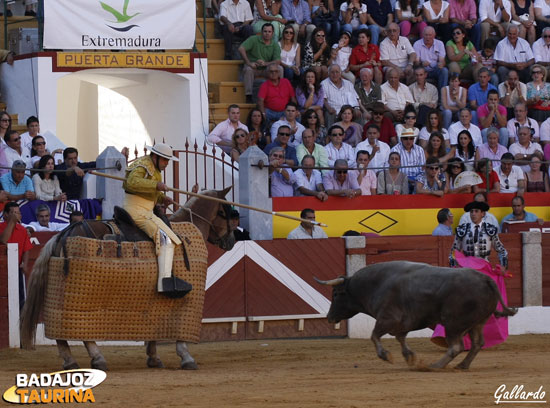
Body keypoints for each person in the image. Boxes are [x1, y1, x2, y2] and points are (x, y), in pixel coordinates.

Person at [122, 143, 190, 296]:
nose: (166, 163)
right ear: (155, 157)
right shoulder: (143, 165)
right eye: (165, 160)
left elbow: (147, 191)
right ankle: (163, 283)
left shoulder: (154, 168)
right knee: (164, 238)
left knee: (170, 238)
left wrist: (161, 198)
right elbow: (132, 183)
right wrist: (156, 185)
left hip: (146, 210)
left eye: (167, 160)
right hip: (136, 211)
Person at [238, 23, 282, 103]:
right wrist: (249, 63)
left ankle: (277, 92)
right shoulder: (254, 39)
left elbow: (277, 61)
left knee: (279, 69)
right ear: (262, 32)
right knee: (248, 69)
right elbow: (241, 48)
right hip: (253, 66)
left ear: (272, 33)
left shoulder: (275, 44)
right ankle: (248, 96)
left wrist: (266, 63)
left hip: (266, 68)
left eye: (269, 31)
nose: (267, 33)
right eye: (265, 31)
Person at [0, 201, 33, 309]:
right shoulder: (1, 226)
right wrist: (12, 223)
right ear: (5, 214)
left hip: (17, 268)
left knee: (21, 297)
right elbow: (3, 240)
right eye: (13, 213)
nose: (16, 215)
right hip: (2, 268)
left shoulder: (23, 230)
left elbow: (26, 249)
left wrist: (25, 263)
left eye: (18, 213)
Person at [413, 26, 449, 91]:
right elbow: (416, 63)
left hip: (435, 69)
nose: (428, 37)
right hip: (423, 69)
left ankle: (442, 96)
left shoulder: (440, 44)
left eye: (430, 35)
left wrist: (441, 64)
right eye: (426, 35)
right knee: (418, 71)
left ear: (434, 35)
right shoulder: (417, 44)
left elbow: (442, 60)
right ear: (422, 35)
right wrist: (421, 63)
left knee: (444, 70)